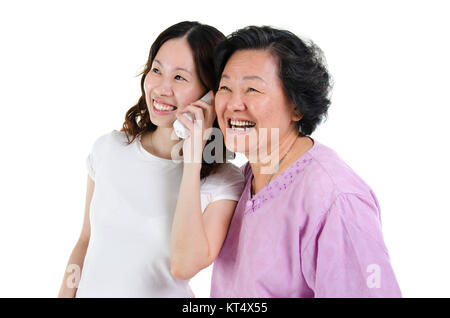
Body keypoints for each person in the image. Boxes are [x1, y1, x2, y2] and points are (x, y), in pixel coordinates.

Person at [208, 26, 402, 297]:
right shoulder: (242, 181)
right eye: (225, 87)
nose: (233, 104)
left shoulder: (335, 199)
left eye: (252, 89)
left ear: (297, 107)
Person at [57, 21, 244, 298]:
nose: (161, 88)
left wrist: (193, 159)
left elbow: (187, 265)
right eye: (156, 70)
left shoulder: (223, 182)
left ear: (210, 95)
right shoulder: (108, 149)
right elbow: (85, 241)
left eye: (180, 78)